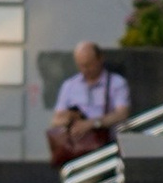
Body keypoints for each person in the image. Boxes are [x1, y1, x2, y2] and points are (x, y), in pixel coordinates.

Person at [47, 39, 132, 167]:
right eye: (81, 65)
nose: (86, 69)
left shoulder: (116, 83)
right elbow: (55, 120)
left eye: (89, 64)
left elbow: (122, 114)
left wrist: (92, 124)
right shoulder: (70, 86)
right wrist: (70, 117)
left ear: (100, 59)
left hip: (105, 147)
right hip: (75, 149)